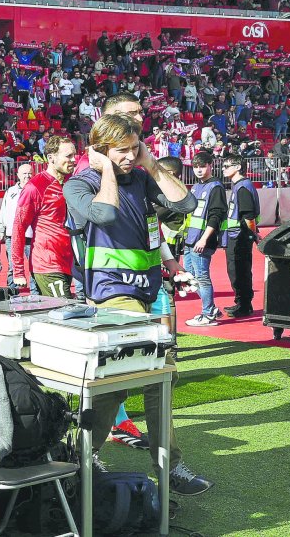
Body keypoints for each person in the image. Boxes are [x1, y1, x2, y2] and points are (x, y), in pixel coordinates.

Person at [64, 114, 213, 495]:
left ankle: (84, 454)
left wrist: (150, 162)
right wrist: (107, 169)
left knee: (116, 383)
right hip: (111, 295)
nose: (130, 156)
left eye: (135, 148)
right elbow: (106, 214)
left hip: (147, 294)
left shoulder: (143, 176)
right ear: (99, 151)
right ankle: (172, 467)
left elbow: (186, 203)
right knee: (161, 368)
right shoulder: (81, 184)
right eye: (122, 151)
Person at [11, 136, 76, 298]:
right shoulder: (35, 187)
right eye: (68, 156)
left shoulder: (73, 182)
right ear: (51, 158)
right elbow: (18, 228)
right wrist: (18, 270)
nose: (73, 160)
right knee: (66, 312)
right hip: (47, 264)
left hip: (69, 263)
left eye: (74, 155)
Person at [184, 152, 227, 327]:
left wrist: (203, 239)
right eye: (196, 167)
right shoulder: (195, 186)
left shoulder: (215, 187)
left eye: (202, 166)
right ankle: (211, 309)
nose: (199, 170)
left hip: (202, 240)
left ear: (210, 165)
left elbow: (215, 216)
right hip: (190, 239)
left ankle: (208, 314)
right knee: (189, 277)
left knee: (201, 277)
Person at [220, 154, 260, 319]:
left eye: (227, 166)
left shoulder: (242, 187)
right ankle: (242, 303)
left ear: (238, 167)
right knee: (238, 270)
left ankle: (244, 304)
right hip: (238, 235)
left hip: (239, 236)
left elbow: (248, 216)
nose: (224, 169)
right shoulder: (242, 185)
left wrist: (253, 235)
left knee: (238, 271)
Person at [0, 163, 33, 288]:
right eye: (24, 173)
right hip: (11, 235)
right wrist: (0, 229)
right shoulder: (10, 192)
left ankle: (35, 291)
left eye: (29, 173)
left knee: (34, 266)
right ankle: (13, 292)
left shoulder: (36, 190)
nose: (27, 176)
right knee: (12, 265)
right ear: (18, 175)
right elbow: (3, 211)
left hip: (31, 235)